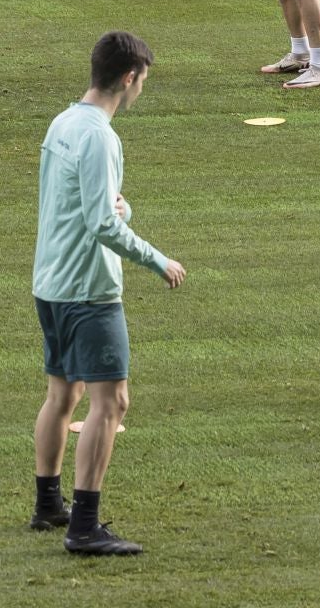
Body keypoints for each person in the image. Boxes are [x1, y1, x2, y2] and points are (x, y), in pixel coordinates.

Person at [28, 31, 186, 555]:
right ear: (128, 77)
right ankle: (85, 527)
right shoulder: (100, 135)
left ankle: (48, 504)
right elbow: (102, 224)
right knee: (112, 401)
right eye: (143, 81)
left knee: (62, 395)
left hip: (50, 281)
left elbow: (82, 203)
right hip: (89, 288)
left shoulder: (64, 122)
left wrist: (123, 210)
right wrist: (158, 259)